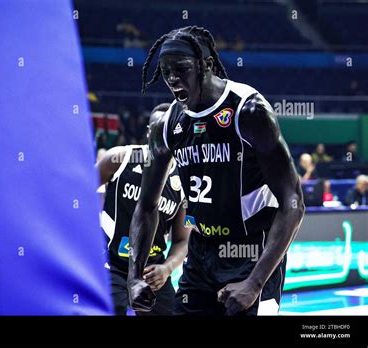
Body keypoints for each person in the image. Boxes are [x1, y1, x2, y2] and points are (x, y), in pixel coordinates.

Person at [127, 26, 305, 316]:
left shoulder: (249, 111)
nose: (172, 79)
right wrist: (133, 277)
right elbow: (146, 205)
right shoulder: (166, 124)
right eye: (165, 71)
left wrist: (254, 283)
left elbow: (293, 203)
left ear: (206, 65)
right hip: (201, 254)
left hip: (251, 251)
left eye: (181, 69)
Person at [96, 103, 190, 315]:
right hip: (111, 266)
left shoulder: (183, 181)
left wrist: (167, 268)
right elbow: (78, 196)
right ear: (150, 131)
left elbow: (182, 240)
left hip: (151, 271)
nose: (163, 136)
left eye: (169, 130)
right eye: (158, 128)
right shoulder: (119, 159)